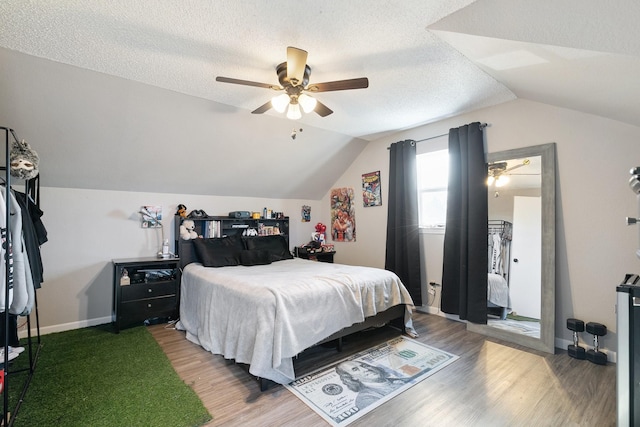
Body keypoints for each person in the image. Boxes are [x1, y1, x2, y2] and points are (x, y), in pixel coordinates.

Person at [335, 361, 408, 409]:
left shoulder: (398, 380)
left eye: (363, 365)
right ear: (352, 377)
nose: (365, 369)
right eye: (355, 369)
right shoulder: (366, 398)